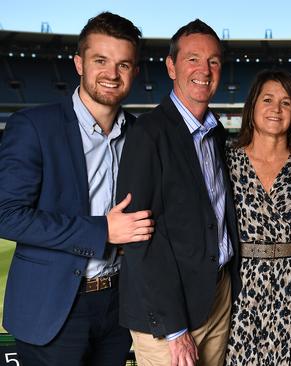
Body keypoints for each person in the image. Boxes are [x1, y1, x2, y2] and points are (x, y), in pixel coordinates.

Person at [0, 12, 153, 366]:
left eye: (123, 64)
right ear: (79, 64)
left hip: (117, 308)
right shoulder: (34, 126)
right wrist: (103, 230)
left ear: (135, 72)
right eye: (101, 60)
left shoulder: (141, 134)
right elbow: (6, 214)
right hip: (53, 310)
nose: (112, 74)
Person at [116, 19, 240, 366]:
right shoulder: (148, 135)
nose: (204, 70)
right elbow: (140, 239)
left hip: (216, 296)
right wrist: (175, 330)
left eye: (213, 61)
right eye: (193, 59)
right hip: (168, 314)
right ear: (171, 66)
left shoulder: (215, 133)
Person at [223, 69, 291, 366]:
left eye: (286, 102)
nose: (276, 109)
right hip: (241, 285)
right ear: (252, 107)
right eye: (267, 100)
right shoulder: (225, 159)